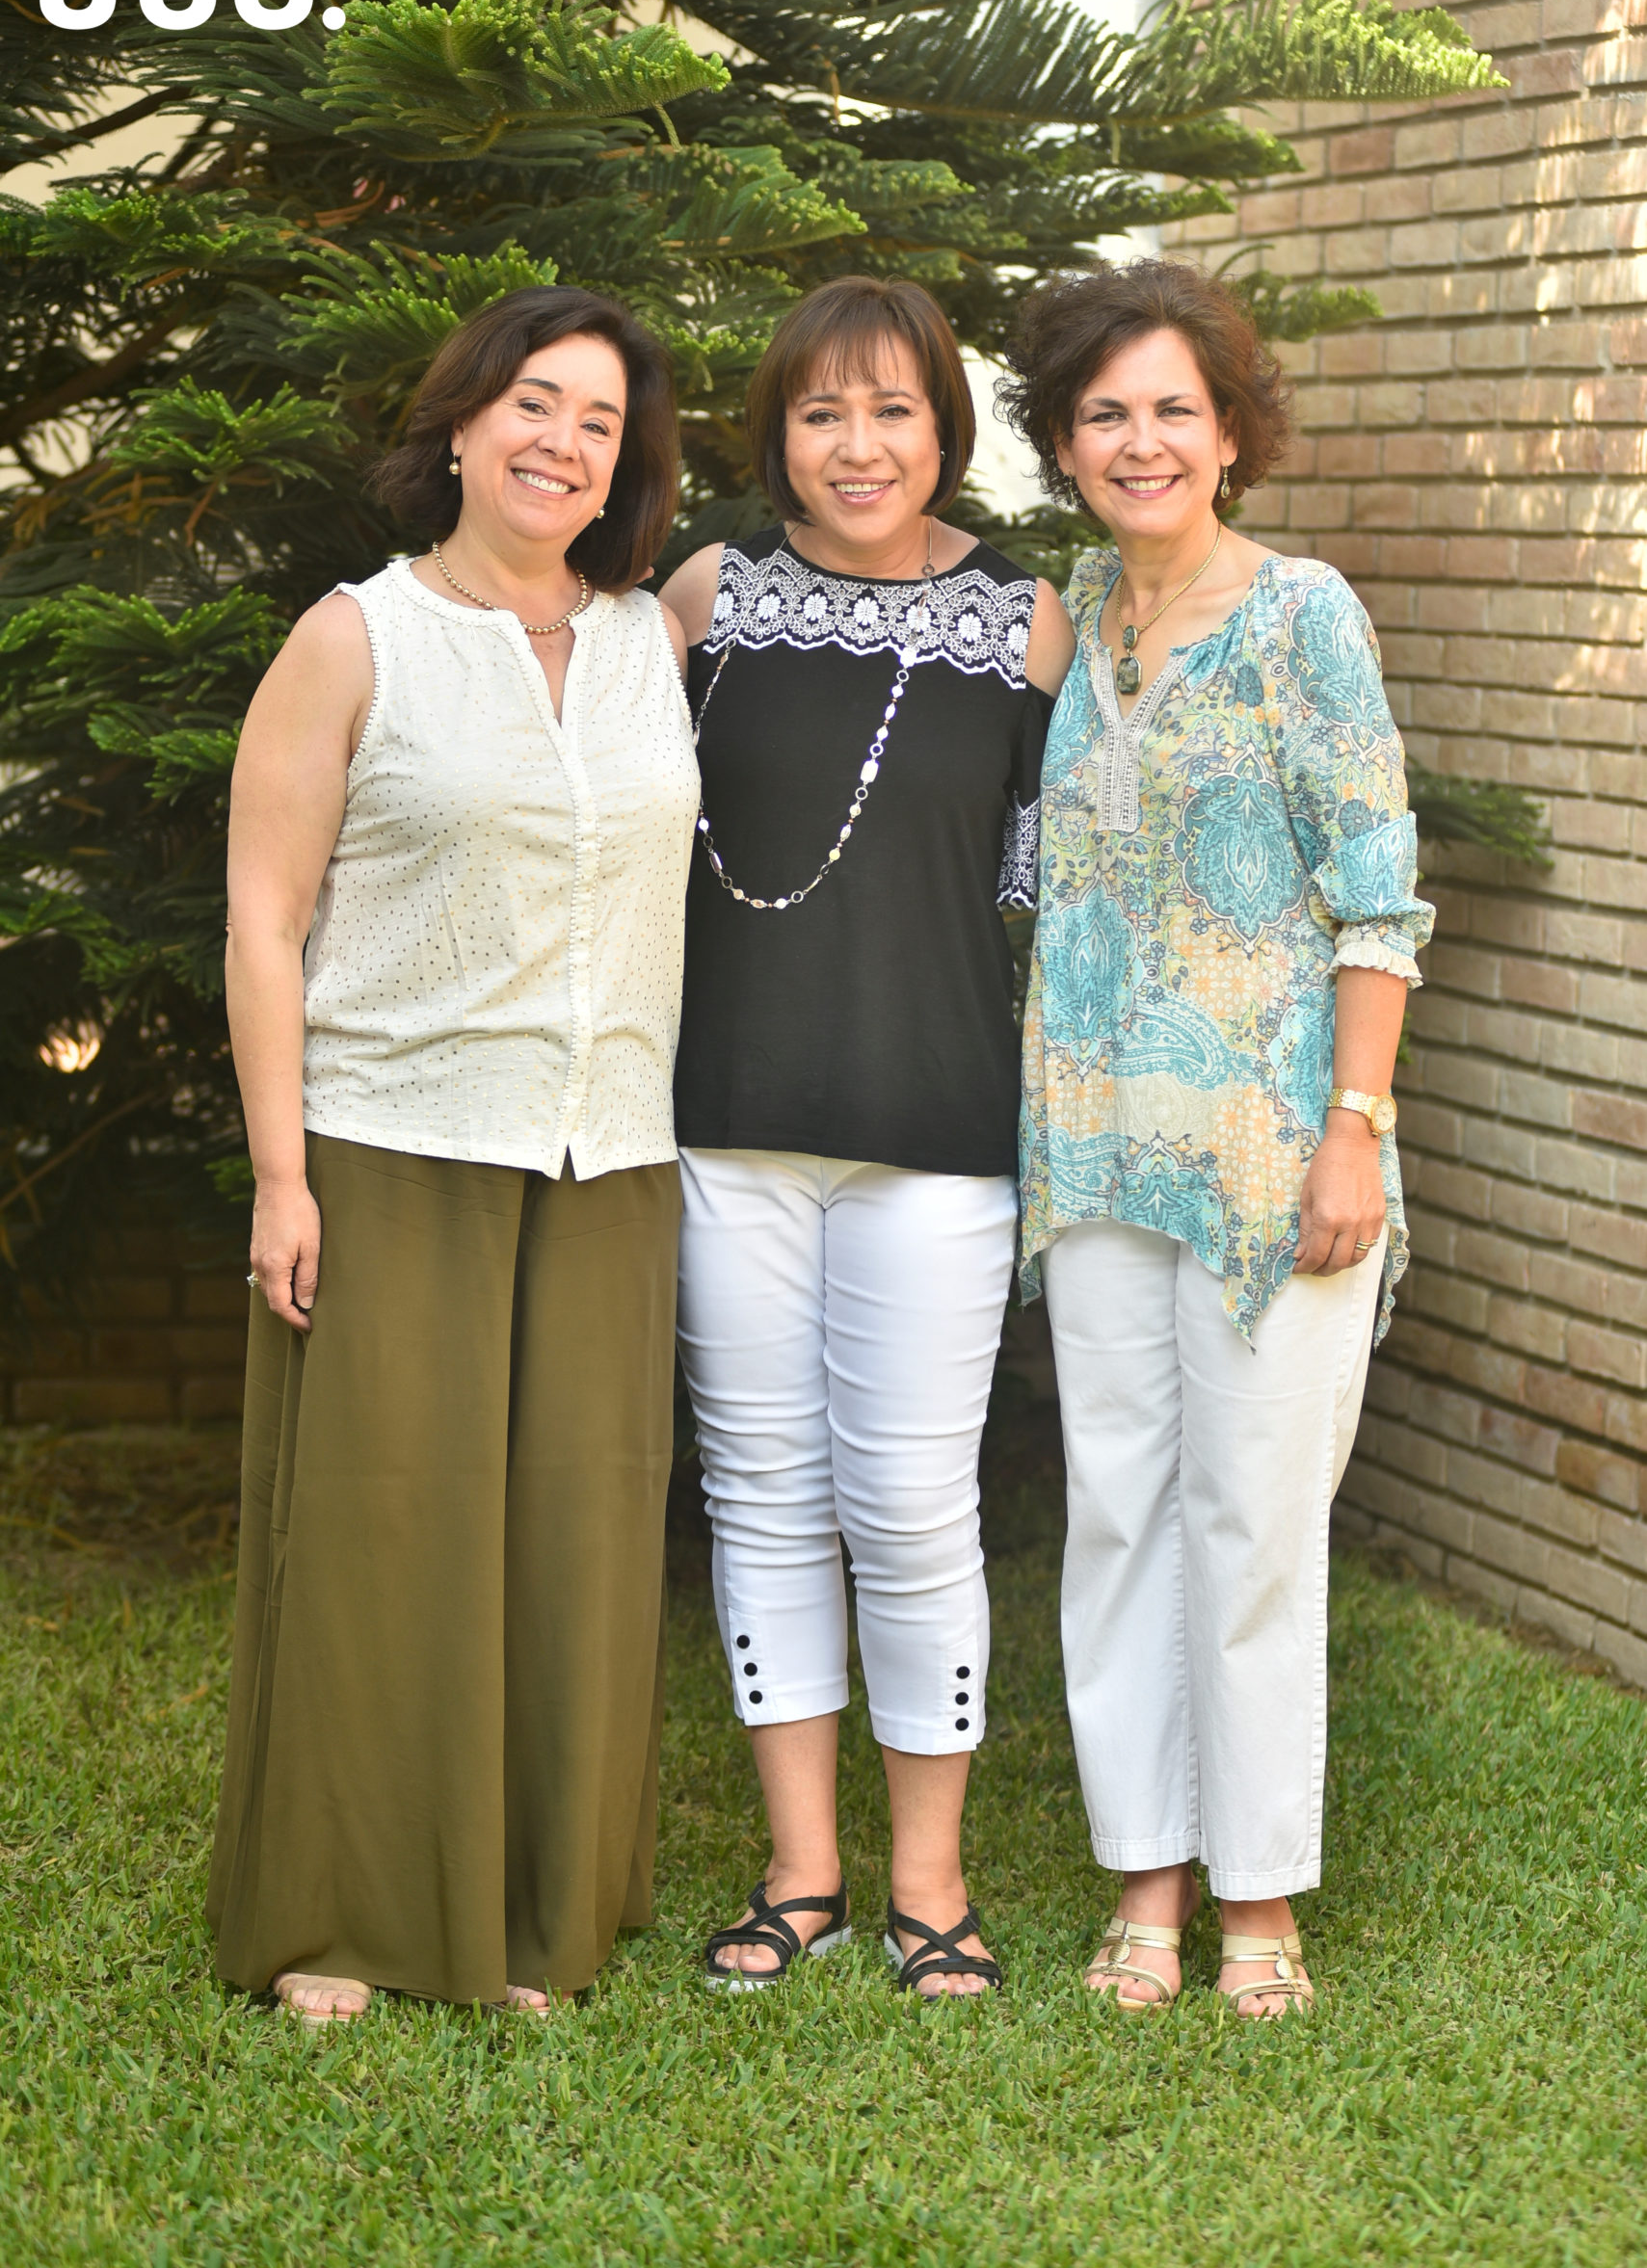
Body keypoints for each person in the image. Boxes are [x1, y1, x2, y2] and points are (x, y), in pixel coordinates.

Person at [209, 285, 699, 2020]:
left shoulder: (660, 630)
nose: (564, 444)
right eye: (535, 405)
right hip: (394, 1139)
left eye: (601, 424)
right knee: (380, 1531)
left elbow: (866, 578)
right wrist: (283, 1177)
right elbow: (265, 919)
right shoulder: (357, 637)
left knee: (574, 1537)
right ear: (464, 421)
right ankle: (342, 1922)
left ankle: (528, 1918)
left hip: (608, 1156)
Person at [1000, 261, 1434, 2017]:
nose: (1141, 439)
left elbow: (1378, 902)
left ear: (1233, 434)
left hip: (1274, 1158)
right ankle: (1144, 1881)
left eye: (1175, 406)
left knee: (1250, 1527)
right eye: (1104, 412)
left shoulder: (1304, 614)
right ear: (1063, 445)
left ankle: (1257, 1897)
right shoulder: (1069, 620)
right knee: (1117, 1516)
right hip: (1094, 1146)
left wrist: (1355, 1131)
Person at [660, 276, 1074, 1998]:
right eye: (821, 412)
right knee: (761, 1498)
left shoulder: (1032, 621)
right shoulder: (703, 600)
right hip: (723, 1123)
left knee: (910, 1505)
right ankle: (798, 1874)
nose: (857, 444)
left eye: (892, 409)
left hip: (937, 1128)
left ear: (943, 427)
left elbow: (1056, 892)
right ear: (777, 434)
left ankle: (931, 1890)